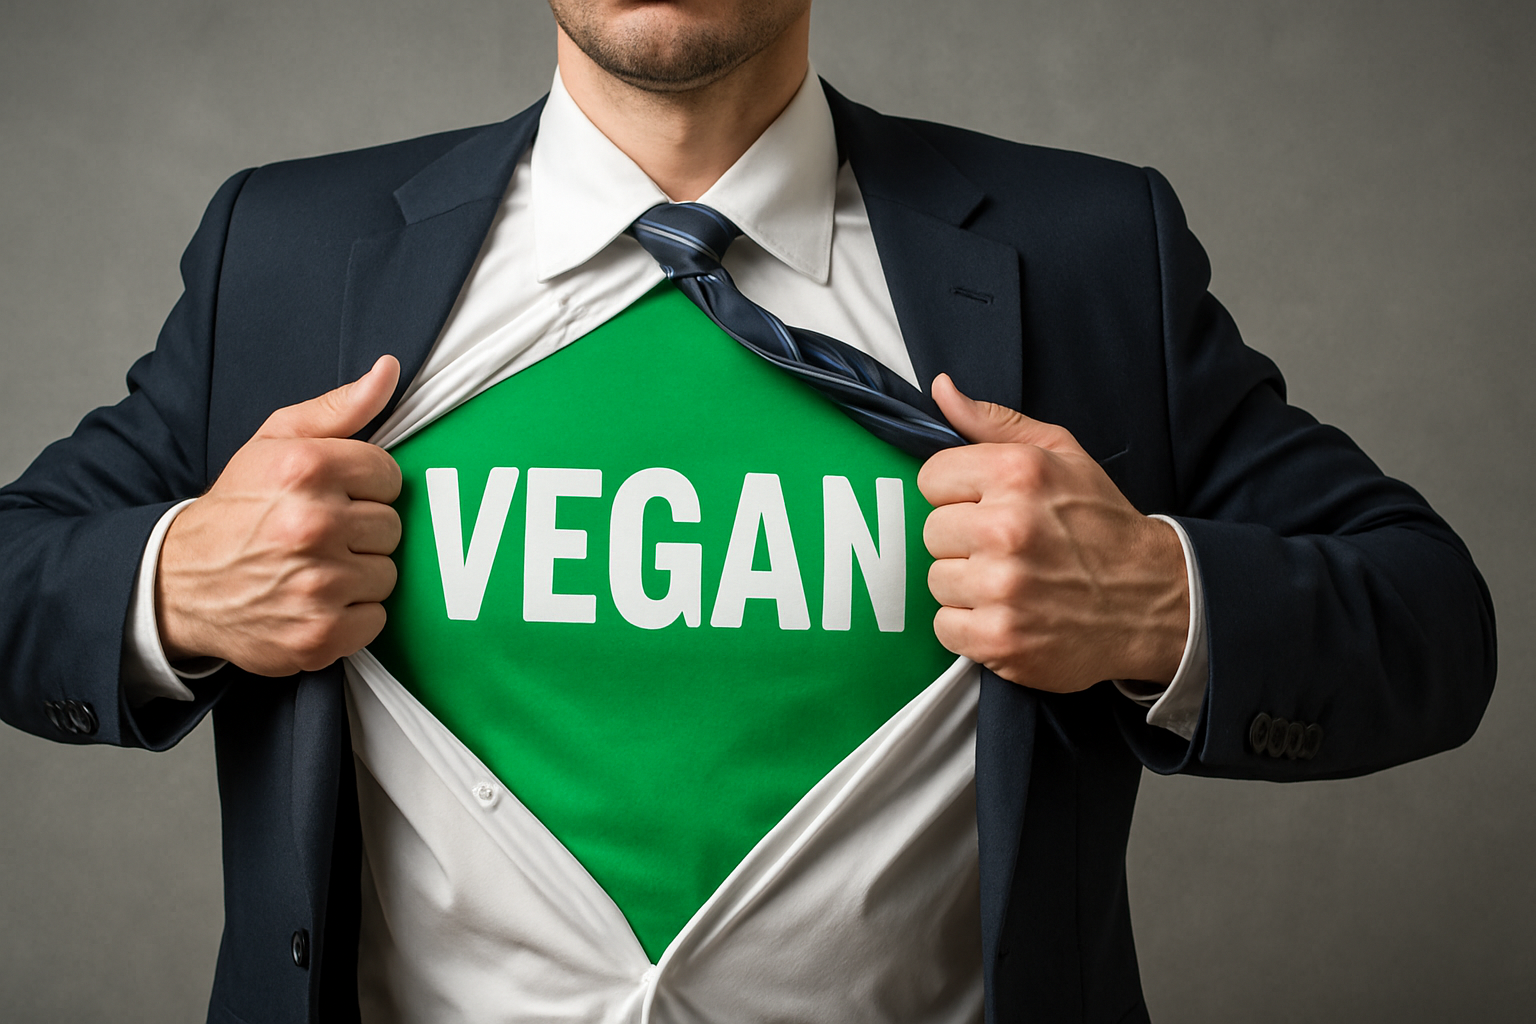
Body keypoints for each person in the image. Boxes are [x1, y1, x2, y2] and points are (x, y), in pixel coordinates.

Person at [0, 1, 1497, 1021]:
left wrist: (1155, 602)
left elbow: (1430, 623)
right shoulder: (289, 248)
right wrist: (171, 586)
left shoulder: (1089, 251)